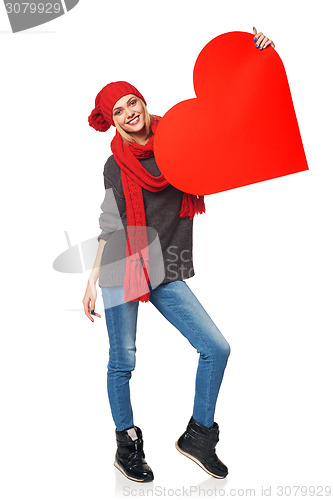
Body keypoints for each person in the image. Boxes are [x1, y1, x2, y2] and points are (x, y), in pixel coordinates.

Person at [82, 28, 275, 483]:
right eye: (117, 111)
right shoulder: (115, 165)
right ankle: (127, 443)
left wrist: (255, 59)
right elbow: (112, 224)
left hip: (164, 268)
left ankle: (199, 435)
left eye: (132, 102)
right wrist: (90, 279)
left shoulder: (183, 139)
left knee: (216, 348)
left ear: (143, 102)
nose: (128, 113)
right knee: (123, 359)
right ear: (110, 121)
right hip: (121, 266)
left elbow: (232, 126)